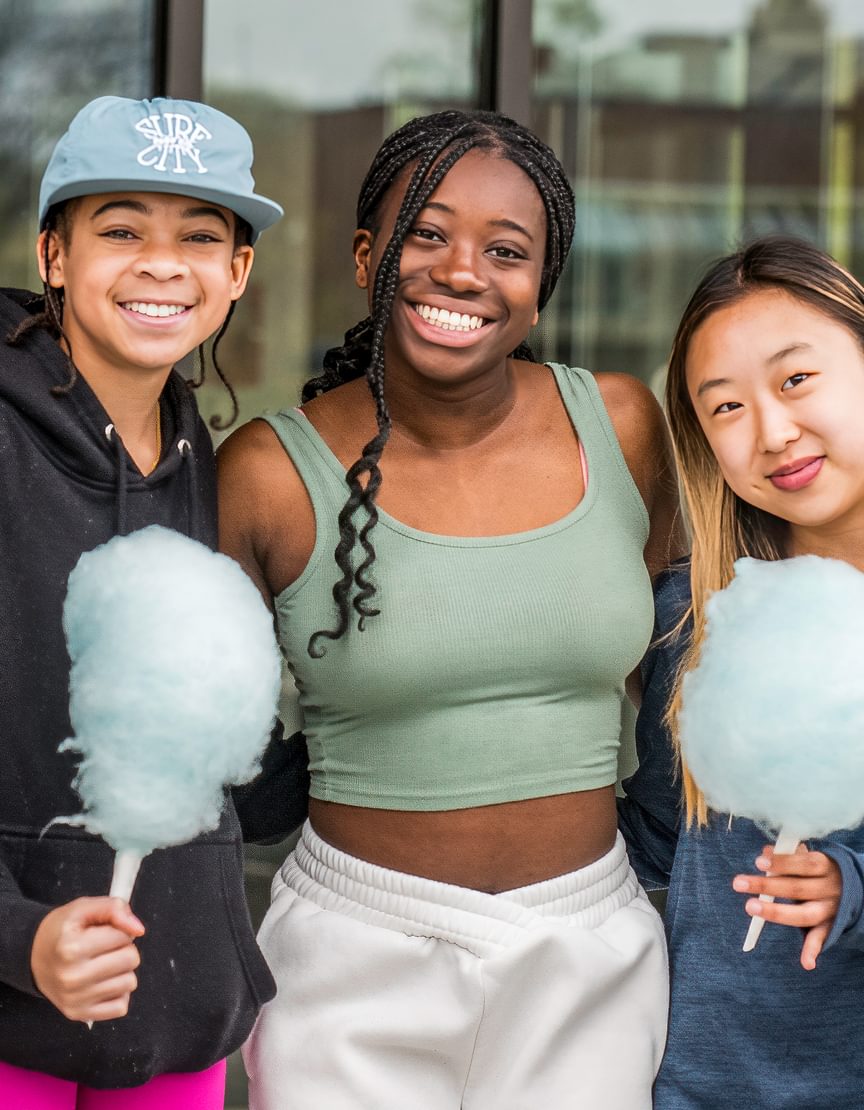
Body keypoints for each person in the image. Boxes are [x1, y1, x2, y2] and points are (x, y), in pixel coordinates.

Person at [219, 108, 681, 1109]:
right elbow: (201, 718)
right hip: (351, 952)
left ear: (539, 285)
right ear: (364, 253)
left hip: (588, 944)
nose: (463, 271)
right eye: (426, 233)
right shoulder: (266, 472)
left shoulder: (624, 427)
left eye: (506, 250)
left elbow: (669, 654)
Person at [0, 95, 287, 1109]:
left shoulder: (210, 460)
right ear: (54, 254)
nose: (163, 264)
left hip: (174, 1011)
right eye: (120, 229)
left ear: (238, 273)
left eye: (200, 237)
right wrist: (19, 935)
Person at [619, 235, 864, 1108]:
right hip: (701, 1083)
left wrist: (851, 884)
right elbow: (657, 840)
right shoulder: (692, 617)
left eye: (796, 380)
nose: (771, 431)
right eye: (724, 408)